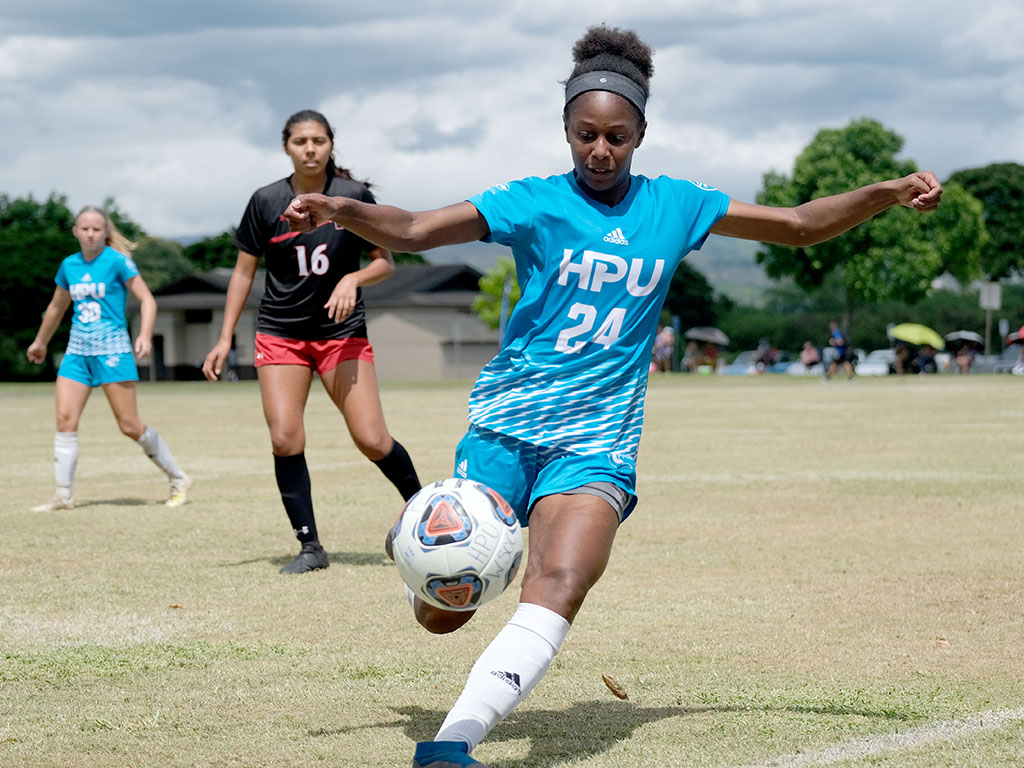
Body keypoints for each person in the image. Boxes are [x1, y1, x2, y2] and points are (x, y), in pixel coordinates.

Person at [283, 25, 943, 768]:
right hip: (505, 426)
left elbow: (795, 227)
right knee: (441, 617)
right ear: (566, 130)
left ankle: (450, 746)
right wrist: (341, 209)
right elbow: (412, 228)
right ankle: (420, 561)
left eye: (617, 138)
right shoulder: (531, 202)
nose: (601, 152)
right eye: (586, 135)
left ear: (640, 135)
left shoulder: (675, 206)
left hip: (596, 441)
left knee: (559, 579)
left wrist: (886, 194)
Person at [202, 109, 421, 575]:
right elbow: (244, 272)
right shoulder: (266, 200)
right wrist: (224, 339)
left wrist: (354, 279)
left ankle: (428, 514)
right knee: (285, 437)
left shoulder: (351, 196)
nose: (309, 148)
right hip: (281, 333)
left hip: (340, 334)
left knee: (372, 439)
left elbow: (386, 262)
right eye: (300, 141)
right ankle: (310, 547)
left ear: (330, 145)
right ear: (287, 146)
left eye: (318, 140)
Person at [26, 206, 192, 511]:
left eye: (96, 229)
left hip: (113, 351)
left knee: (129, 426)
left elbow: (147, 300)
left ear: (106, 233)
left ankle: (178, 477)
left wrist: (143, 335)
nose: (90, 234)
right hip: (77, 352)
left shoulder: (118, 262)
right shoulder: (69, 265)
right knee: (65, 420)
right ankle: (63, 494)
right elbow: (56, 308)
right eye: (84, 229)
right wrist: (40, 343)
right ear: (75, 231)